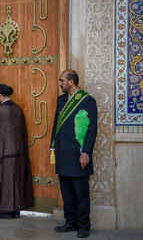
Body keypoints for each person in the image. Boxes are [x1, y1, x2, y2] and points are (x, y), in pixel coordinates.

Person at [50, 69, 97, 238]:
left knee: (81, 193)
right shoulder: (61, 100)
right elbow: (56, 125)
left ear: (71, 82)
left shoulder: (87, 100)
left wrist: (85, 153)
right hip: (63, 154)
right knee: (67, 193)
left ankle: (84, 225)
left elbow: (91, 130)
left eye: (62, 80)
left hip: (78, 156)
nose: (60, 83)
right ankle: (70, 222)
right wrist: (52, 147)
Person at [0, 83, 34, 219]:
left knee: (5, 181)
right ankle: (15, 210)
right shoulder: (18, 109)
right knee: (16, 181)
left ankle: (6, 210)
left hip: (5, 153)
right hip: (19, 153)